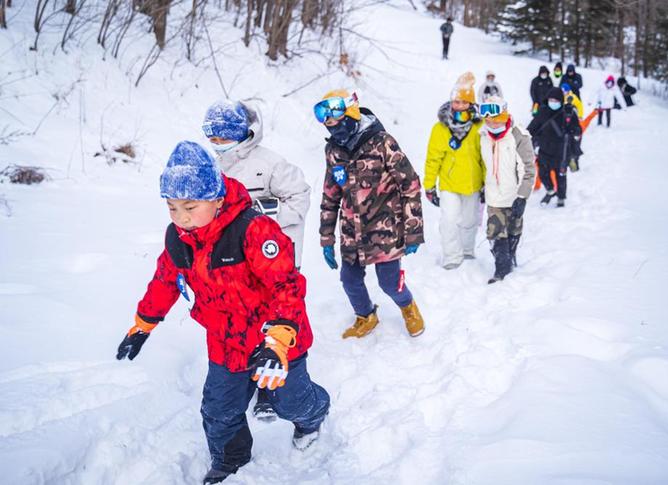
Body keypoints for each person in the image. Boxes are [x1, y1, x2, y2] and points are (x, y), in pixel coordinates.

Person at [116, 141, 330, 484]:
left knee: (289, 401)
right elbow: (165, 280)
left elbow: (287, 284)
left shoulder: (254, 230)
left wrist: (278, 340)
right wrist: (143, 323)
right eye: (172, 208)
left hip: (275, 339)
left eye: (190, 206)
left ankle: (314, 415)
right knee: (218, 411)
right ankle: (230, 459)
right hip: (225, 342)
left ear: (216, 199)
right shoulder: (179, 238)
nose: (181, 217)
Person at [202, 99, 311, 424]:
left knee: (273, 321)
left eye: (222, 137)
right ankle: (247, 380)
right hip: (233, 264)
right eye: (212, 137)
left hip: (274, 260)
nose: (217, 144)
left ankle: (268, 391)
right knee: (240, 323)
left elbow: (300, 197)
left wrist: (263, 217)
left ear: (240, 133)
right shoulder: (213, 165)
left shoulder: (271, 164)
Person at [315, 89, 425, 338]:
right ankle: (366, 315)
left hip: (384, 230)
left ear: (351, 113)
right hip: (351, 233)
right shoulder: (333, 151)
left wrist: (413, 232)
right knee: (349, 280)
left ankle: (408, 307)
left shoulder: (382, 142)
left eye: (335, 120)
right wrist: (326, 239)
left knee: (389, 283)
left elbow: (410, 184)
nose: (331, 127)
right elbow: (330, 195)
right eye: (327, 124)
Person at [424, 72, 485, 270]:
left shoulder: (480, 127)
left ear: (470, 104)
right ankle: (451, 257)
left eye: (462, 102)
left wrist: (486, 184)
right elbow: (433, 158)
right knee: (449, 221)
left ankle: (467, 251)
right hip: (449, 184)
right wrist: (429, 185)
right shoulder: (440, 128)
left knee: (470, 221)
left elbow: (484, 159)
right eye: (455, 102)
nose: (458, 105)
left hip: (473, 184)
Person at [479, 96, 535, 283]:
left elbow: (529, 169)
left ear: (504, 115)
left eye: (495, 120)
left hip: (514, 195)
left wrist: (522, 197)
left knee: (513, 231)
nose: (492, 124)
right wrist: (481, 187)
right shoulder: (483, 136)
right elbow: (482, 165)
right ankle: (501, 270)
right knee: (494, 232)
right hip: (494, 196)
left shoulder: (518, 135)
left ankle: (511, 257)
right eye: (488, 121)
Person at [527, 87, 582, 208]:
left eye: (556, 100)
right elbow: (531, 128)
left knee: (560, 176)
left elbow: (577, 129)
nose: (553, 102)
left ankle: (561, 198)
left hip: (562, 151)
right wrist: (527, 138)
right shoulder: (542, 112)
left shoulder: (568, 112)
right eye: (551, 99)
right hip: (544, 149)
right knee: (542, 173)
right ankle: (551, 190)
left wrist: (574, 128)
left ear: (561, 101)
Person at [561, 83, 584, 171]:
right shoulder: (560, 97)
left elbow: (580, 106)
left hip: (573, 121)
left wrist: (580, 115)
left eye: (565, 91)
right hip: (563, 122)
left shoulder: (573, 97)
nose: (564, 92)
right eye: (562, 91)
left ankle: (574, 162)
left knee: (574, 143)